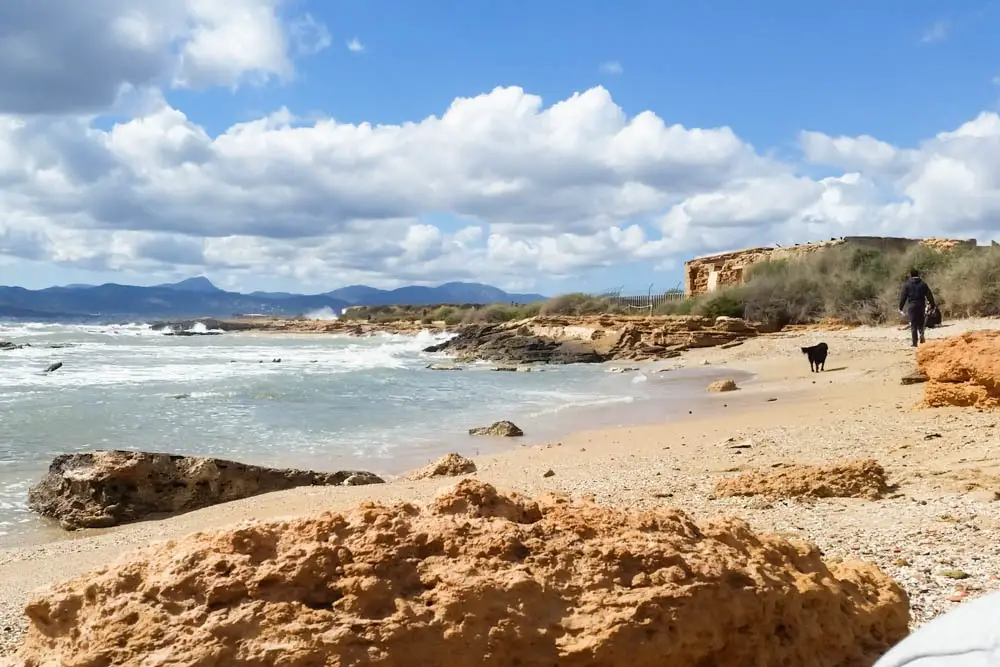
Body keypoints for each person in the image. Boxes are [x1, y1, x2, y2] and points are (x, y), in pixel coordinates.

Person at [898, 269, 936, 347]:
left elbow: (903, 297)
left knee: (913, 324)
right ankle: (922, 336)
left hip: (912, 305)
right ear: (918, 274)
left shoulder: (907, 284)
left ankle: (914, 343)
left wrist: (900, 307)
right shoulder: (923, 284)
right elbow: (929, 295)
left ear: (910, 275)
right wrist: (932, 305)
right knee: (921, 322)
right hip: (921, 305)